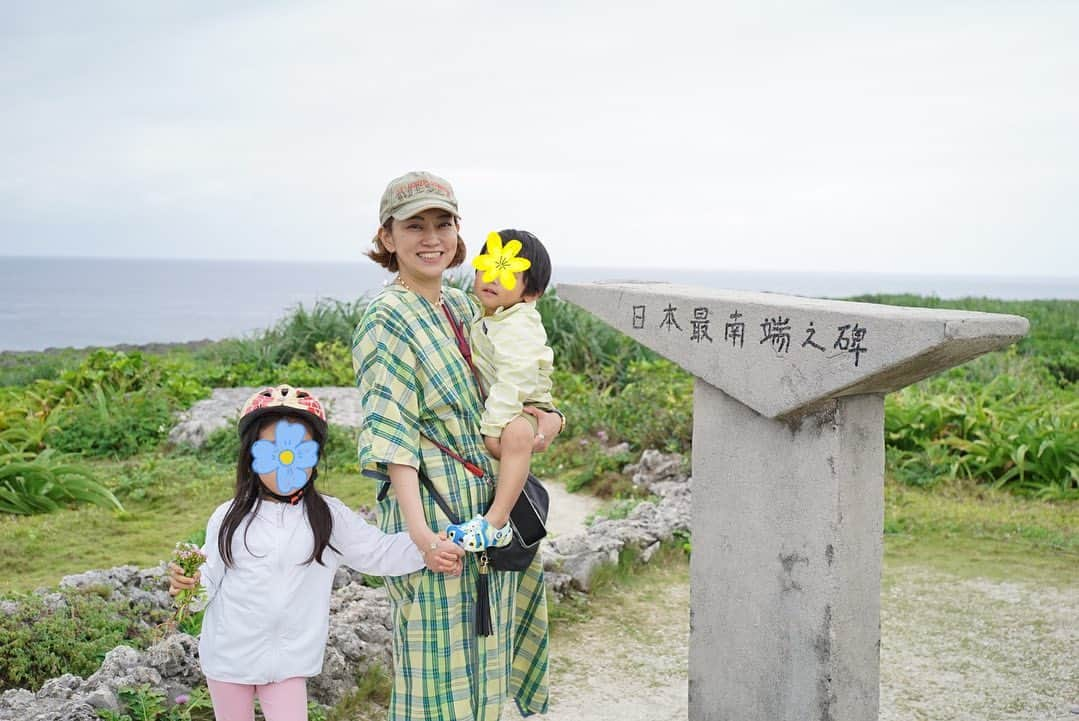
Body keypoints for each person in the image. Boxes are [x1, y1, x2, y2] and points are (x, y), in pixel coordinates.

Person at [354, 171, 564, 720]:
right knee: (436, 664)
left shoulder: (464, 304)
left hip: (485, 501)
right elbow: (391, 430)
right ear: (387, 238)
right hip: (433, 509)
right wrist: (421, 535)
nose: (431, 238)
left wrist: (548, 417)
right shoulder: (386, 318)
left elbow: (517, 374)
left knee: (483, 652)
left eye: (442, 223)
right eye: (414, 225)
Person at [167, 384, 463, 721]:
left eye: (297, 449)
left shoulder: (328, 517)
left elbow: (378, 552)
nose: (285, 459)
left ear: (315, 456)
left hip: (290, 663)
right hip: (227, 660)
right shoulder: (228, 517)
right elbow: (207, 583)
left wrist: (426, 547)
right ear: (251, 455)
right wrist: (188, 587)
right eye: (272, 450)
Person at [445, 229, 554, 552]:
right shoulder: (492, 315)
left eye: (506, 272)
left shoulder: (518, 324)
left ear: (531, 292)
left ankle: (497, 523)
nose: (491, 278)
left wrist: (494, 428)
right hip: (511, 401)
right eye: (487, 267)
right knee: (515, 432)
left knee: (517, 434)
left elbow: (514, 380)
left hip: (526, 402)